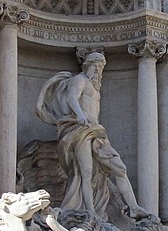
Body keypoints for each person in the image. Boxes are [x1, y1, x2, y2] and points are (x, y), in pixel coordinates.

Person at [36, 50, 144, 220]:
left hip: (96, 131)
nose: (99, 70)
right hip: (80, 130)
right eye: (97, 66)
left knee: (120, 168)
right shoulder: (79, 80)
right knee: (85, 172)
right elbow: (72, 98)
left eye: (101, 67)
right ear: (88, 66)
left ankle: (134, 207)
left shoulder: (95, 87)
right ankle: (90, 212)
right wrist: (79, 114)